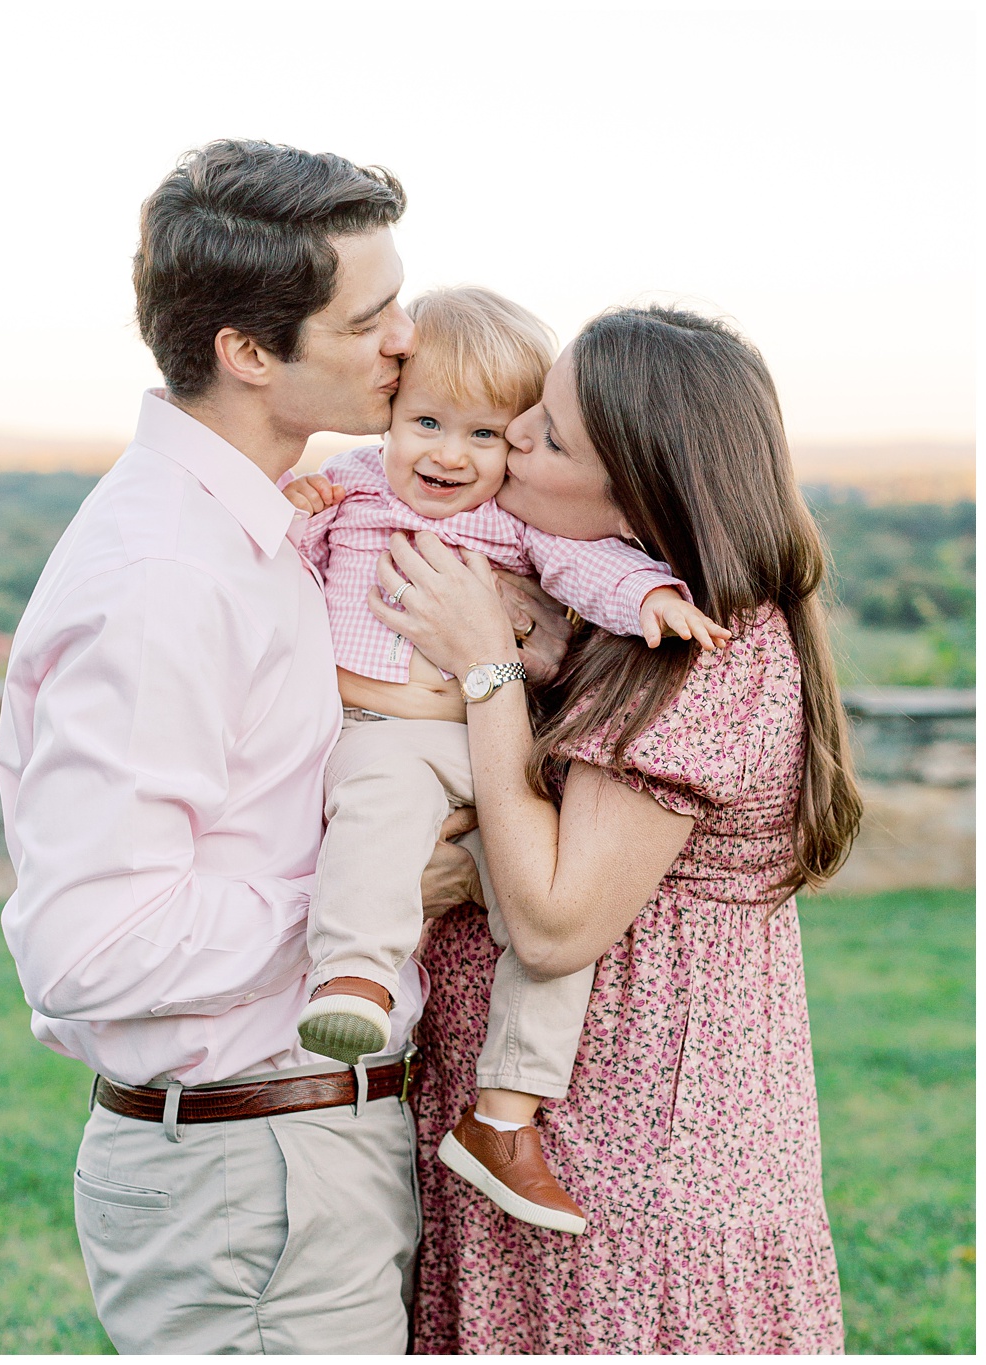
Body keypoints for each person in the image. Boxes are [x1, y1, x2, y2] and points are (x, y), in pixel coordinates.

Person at [0, 139, 468, 1354]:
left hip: (283, 1162)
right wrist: (377, 896)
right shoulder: (166, 577)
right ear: (247, 353)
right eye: (366, 320)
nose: (405, 340)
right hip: (251, 1180)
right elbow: (89, 948)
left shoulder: (254, 532)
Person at [378, 306, 860, 1352]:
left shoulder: (699, 650)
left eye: (548, 436)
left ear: (641, 494)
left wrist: (486, 665)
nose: (512, 435)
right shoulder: (613, 610)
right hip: (543, 1156)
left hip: (623, 1184)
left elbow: (555, 924)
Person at [279, 285, 727, 1234]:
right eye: (427, 423)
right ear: (389, 416)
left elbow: (588, 569)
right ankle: (353, 975)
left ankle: (506, 1111)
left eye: (485, 434)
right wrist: (298, 509)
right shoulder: (354, 484)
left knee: (546, 914)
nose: (450, 454)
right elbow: (286, 565)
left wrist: (650, 596)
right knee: (380, 812)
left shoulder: (515, 525)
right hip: (381, 730)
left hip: (488, 749)